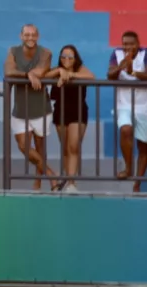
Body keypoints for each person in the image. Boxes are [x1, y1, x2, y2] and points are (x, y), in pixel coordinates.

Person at [5, 24, 56, 191]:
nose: (30, 37)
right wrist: (27, 74)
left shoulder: (46, 52)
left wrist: (29, 74)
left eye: (33, 34)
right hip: (20, 109)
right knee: (23, 146)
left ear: (38, 36)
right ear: (21, 36)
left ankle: (38, 183)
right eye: (27, 34)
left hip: (41, 108)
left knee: (40, 148)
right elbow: (8, 71)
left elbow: (41, 70)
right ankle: (51, 174)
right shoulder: (13, 51)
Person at [107, 31, 147, 192]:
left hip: (144, 106)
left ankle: (137, 183)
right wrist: (120, 67)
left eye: (131, 44)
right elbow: (110, 75)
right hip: (124, 104)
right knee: (125, 129)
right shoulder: (116, 54)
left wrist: (133, 72)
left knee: (143, 146)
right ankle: (128, 167)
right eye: (125, 44)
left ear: (137, 44)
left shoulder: (146, 53)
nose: (128, 47)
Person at [48, 44, 93, 193]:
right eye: (63, 56)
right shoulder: (56, 70)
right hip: (60, 112)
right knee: (66, 148)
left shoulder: (80, 69)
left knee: (73, 146)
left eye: (70, 57)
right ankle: (68, 179)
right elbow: (44, 76)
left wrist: (70, 75)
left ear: (75, 58)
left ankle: (72, 183)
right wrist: (60, 71)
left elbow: (91, 77)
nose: (66, 59)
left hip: (78, 112)